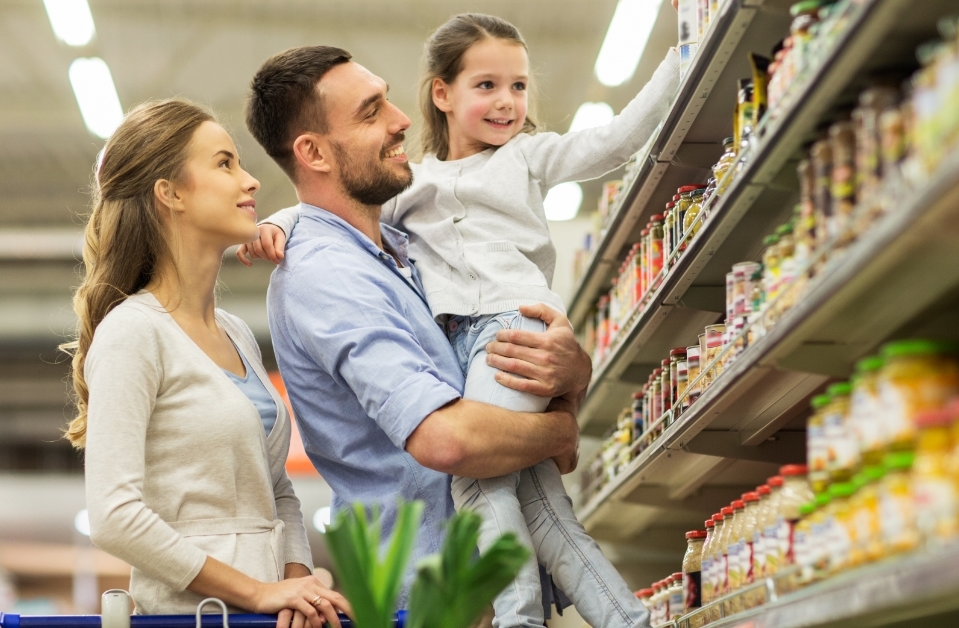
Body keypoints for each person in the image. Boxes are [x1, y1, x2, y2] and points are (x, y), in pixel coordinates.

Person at [242, 14, 679, 628]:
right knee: (521, 500)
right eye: (371, 112)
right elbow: (449, 443)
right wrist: (558, 431)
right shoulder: (328, 271)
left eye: (518, 86)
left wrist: (571, 371)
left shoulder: (403, 245)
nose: (400, 119)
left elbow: (612, 141)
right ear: (312, 152)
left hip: (462, 584)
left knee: (549, 514)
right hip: (428, 595)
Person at [61, 99, 350, 628]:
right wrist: (256, 592)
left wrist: (297, 586)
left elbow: (277, 491)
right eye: (224, 164)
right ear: (170, 193)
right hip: (190, 617)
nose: (250, 180)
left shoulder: (236, 334)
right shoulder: (132, 332)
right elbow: (113, 517)